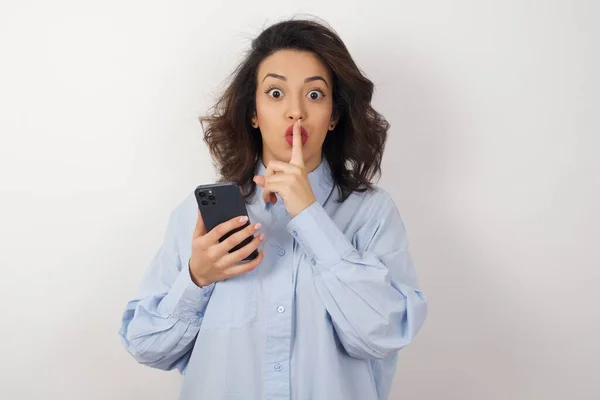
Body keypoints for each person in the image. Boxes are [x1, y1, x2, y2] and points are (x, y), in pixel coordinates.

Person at [119, 18, 428, 400]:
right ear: (253, 112)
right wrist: (197, 279)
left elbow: (385, 333)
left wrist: (309, 216)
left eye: (314, 95)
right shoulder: (199, 217)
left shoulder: (372, 213)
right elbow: (146, 347)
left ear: (334, 115)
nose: (296, 112)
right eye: (276, 93)